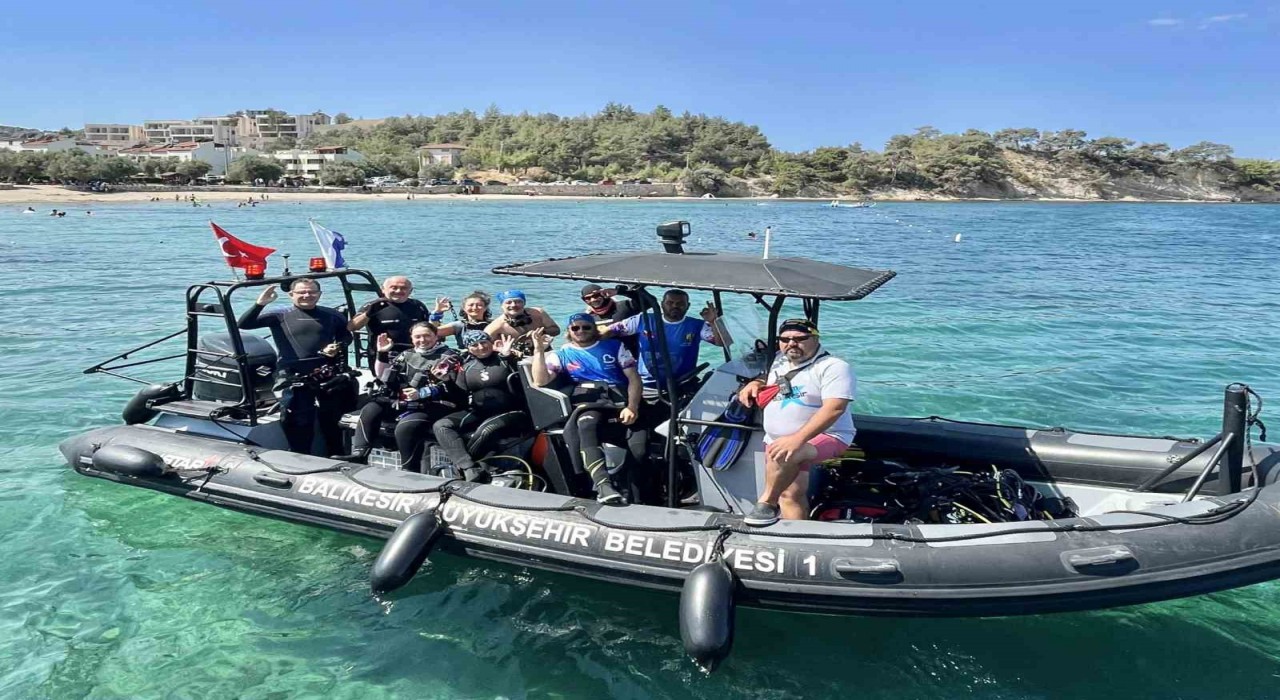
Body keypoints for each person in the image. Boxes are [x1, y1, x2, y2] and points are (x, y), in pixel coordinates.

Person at [736, 319, 856, 526]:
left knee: (786, 454)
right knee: (790, 495)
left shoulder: (834, 367)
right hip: (776, 439)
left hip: (828, 436)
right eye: (785, 339)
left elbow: (834, 408)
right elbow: (772, 379)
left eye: (800, 339)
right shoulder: (779, 361)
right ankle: (798, 536)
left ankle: (766, 504)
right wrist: (755, 383)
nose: (791, 344)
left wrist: (796, 439)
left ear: (815, 339)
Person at [529, 317, 641, 505]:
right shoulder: (562, 354)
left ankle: (641, 494)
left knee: (641, 448)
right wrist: (539, 350)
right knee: (586, 423)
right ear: (569, 331)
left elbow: (634, 379)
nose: (580, 331)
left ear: (594, 329)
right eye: (575, 328)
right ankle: (603, 485)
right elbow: (541, 381)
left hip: (618, 400)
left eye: (586, 327)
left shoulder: (615, 347)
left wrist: (632, 406)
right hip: (589, 403)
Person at [238, 279, 354, 456]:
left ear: (319, 294)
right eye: (301, 292)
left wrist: (337, 346)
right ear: (291, 295)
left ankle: (335, 455)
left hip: (327, 373)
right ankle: (300, 456)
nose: (307, 295)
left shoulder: (332, 315)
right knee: (298, 420)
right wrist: (260, 304)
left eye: (312, 292)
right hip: (294, 375)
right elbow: (244, 324)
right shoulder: (280, 314)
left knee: (331, 418)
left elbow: (346, 337)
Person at [338, 322, 463, 470]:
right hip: (406, 401)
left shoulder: (450, 357)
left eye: (427, 336)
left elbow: (453, 387)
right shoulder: (407, 354)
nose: (422, 340)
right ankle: (360, 454)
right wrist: (382, 353)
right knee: (371, 408)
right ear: (411, 338)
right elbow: (384, 377)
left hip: (436, 403)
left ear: (436, 336)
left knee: (406, 427)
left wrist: (422, 393)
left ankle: (409, 469)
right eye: (418, 337)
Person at [432, 331, 525, 482]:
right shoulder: (467, 367)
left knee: (485, 431)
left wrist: (509, 357)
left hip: (511, 412)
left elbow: (523, 382)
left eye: (484, 342)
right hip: (479, 411)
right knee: (441, 426)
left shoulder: (504, 359)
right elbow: (460, 398)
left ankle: (474, 472)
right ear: (468, 348)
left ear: (491, 342)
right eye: (474, 345)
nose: (481, 347)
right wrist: (447, 381)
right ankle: (468, 468)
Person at [604, 289, 728, 393]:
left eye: (680, 303)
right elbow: (609, 331)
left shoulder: (697, 325)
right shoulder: (643, 320)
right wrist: (588, 332)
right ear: (662, 304)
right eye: (670, 302)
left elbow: (723, 342)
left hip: (682, 382)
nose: (675, 306)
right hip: (647, 384)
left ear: (688, 306)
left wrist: (713, 322)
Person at [349, 276, 449, 368]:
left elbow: (430, 329)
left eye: (404, 288)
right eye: (394, 287)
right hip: (383, 354)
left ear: (410, 291)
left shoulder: (417, 306)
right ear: (383, 289)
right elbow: (352, 327)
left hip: (415, 354)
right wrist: (368, 314)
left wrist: (437, 314)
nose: (398, 291)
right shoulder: (373, 306)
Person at [483, 290, 560, 348]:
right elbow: (483, 347)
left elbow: (556, 330)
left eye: (518, 302)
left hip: (543, 349)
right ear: (502, 305)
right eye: (508, 302)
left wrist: (542, 332)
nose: (513, 305)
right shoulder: (496, 326)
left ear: (524, 303)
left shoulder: (538, 313)